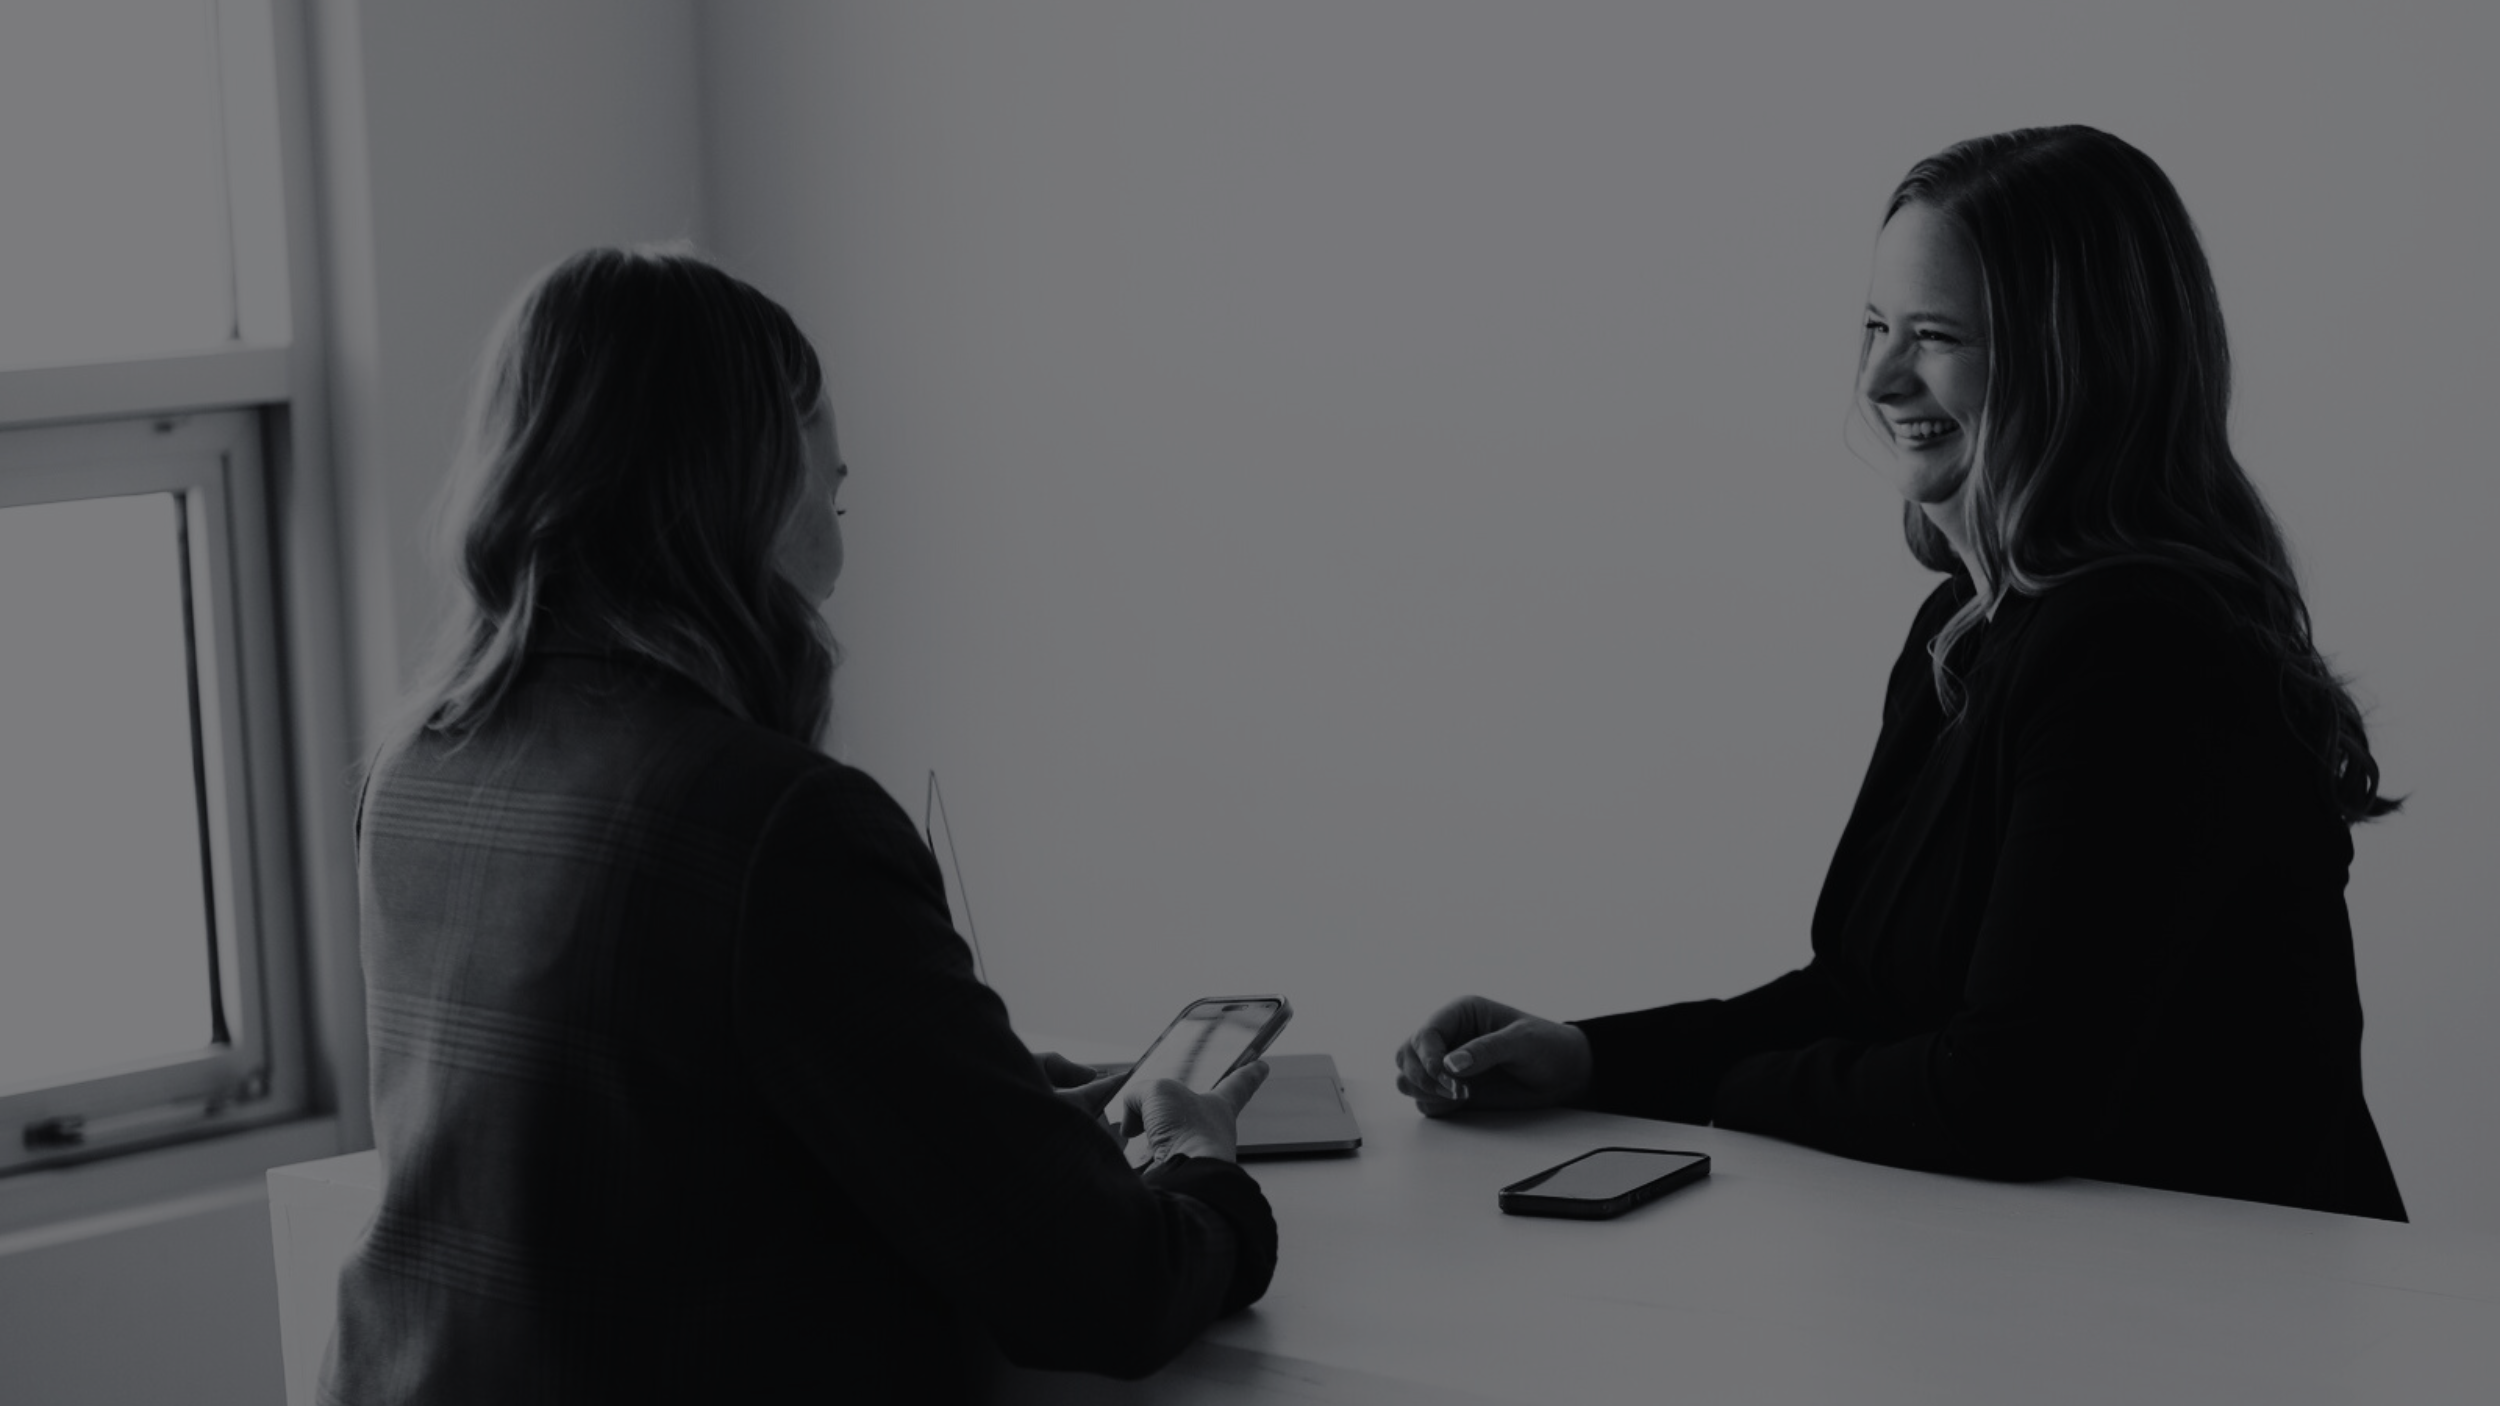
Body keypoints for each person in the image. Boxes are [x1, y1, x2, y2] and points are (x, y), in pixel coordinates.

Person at [1393, 125, 2408, 1223]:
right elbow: (1863, 995)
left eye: (1934, 335)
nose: (1878, 377)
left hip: (2225, 1326)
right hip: (2045, 1289)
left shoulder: (2143, 652)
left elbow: (2002, 1096)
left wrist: (1725, 1093)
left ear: (2080, 362)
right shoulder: (1968, 627)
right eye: (1874, 326)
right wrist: (1588, 1055)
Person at [326, 245, 1277, 1404]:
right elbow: (1103, 1288)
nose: (837, 555)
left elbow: (625, 1122)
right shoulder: (775, 823)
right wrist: (1196, 1162)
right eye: (831, 496)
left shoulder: (415, 766)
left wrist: (977, 1093)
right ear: (747, 498)